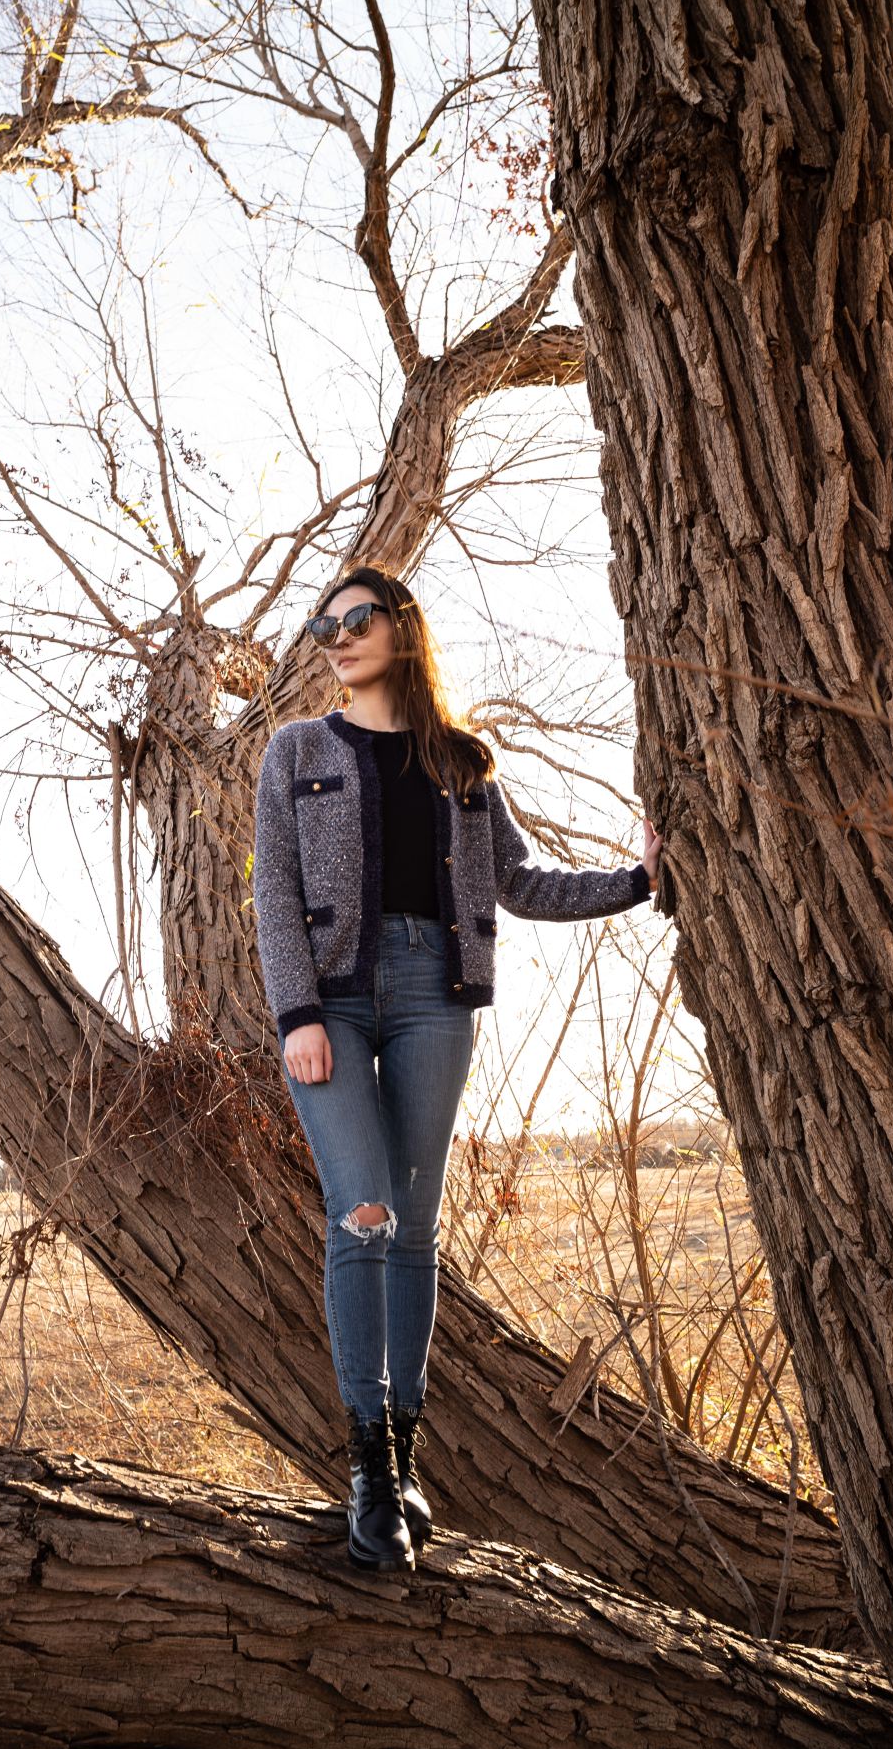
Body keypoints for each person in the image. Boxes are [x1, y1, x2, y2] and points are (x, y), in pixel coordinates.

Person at [251, 564, 663, 1572]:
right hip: (335, 1006)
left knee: (417, 1229)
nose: (335, 637)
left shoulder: (461, 764)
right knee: (363, 1212)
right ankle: (366, 1470)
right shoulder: (296, 749)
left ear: (401, 628)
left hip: (436, 991)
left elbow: (518, 882)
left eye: (354, 621)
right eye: (323, 626)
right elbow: (273, 890)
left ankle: (403, 1456)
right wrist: (296, 1012)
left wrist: (640, 879)